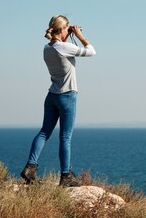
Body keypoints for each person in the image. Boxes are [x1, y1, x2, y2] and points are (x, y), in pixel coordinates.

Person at [20, 15, 96, 187]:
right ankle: (65, 176)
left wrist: (68, 36)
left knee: (44, 132)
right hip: (67, 95)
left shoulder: (47, 48)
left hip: (52, 95)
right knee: (65, 137)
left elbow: (59, 47)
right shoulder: (65, 47)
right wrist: (79, 36)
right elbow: (92, 52)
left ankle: (30, 167)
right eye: (67, 28)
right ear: (62, 29)